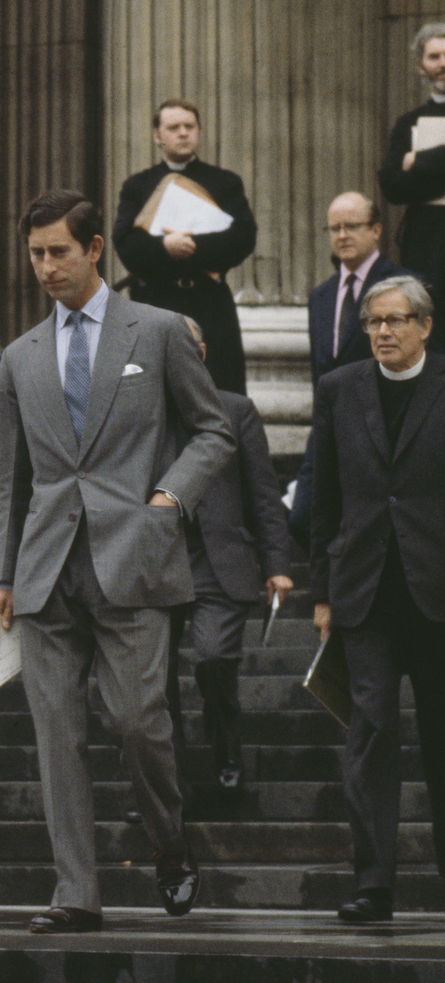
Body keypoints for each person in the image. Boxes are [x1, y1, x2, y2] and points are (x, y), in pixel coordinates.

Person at [0, 191, 235, 932]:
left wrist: (170, 497)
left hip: (134, 554)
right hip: (44, 567)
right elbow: (11, 476)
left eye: (59, 250)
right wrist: (1, 575)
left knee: (137, 722)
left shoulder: (157, 332)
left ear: (96, 249)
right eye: (35, 254)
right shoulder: (18, 356)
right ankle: (76, 891)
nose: (46, 266)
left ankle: (169, 845)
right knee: (58, 735)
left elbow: (214, 430)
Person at [310, 275, 445, 924]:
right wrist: (321, 590)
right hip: (365, 594)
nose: (383, 332)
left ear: (425, 324)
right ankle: (374, 884)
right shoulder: (340, 391)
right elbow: (325, 495)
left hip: (438, 593)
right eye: (373, 322)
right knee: (371, 733)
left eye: (396, 320)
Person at [166, 316, 293, 796]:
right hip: (158, 563)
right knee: (151, 681)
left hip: (220, 564)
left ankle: (226, 748)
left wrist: (277, 564)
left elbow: (264, 494)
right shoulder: (141, 415)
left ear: (200, 354)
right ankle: (166, 782)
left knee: (214, 657)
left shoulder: (236, 409)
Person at [112, 99, 257, 393]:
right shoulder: (137, 186)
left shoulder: (225, 182)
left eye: (189, 127)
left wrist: (191, 246)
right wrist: (165, 246)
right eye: (173, 127)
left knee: (219, 391)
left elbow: (243, 237)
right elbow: (126, 243)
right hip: (156, 300)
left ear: (199, 132)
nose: (182, 133)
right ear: (157, 136)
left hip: (210, 302)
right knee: (153, 392)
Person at [288, 193, 405, 550]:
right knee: (302, 519)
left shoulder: (404, 287)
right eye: (334, 228)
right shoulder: (320, 296)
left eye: (352, 226)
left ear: (376, 230)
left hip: (384, 432)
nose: (342, 235)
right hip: (328, 432)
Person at [378, 23, 445, 344]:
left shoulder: (415, 152)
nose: (443, 63)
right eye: (434, 56)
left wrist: (419, 163)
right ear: (421, 66)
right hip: (427, 247)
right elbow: (393, 186)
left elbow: (409, 177)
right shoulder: (407, 123)